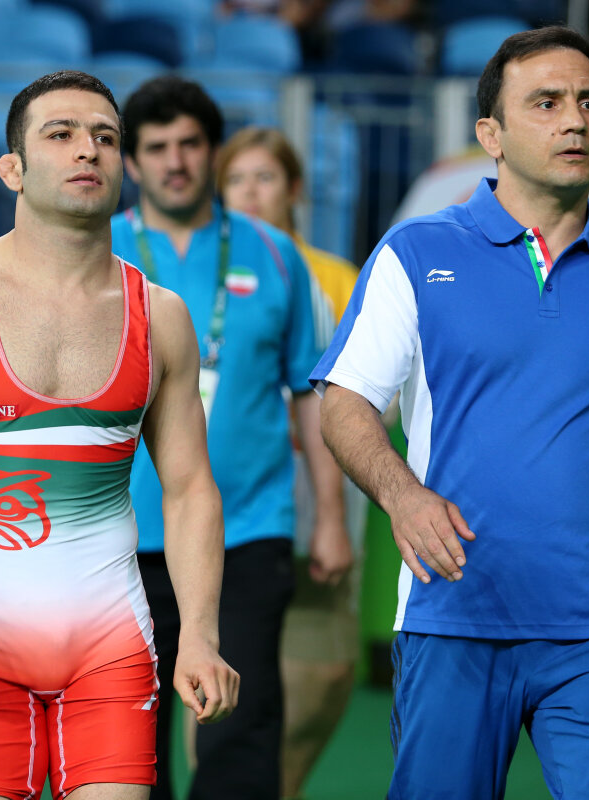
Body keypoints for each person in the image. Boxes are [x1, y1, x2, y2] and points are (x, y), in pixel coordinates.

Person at [311, 26, 589, 800]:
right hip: (452, 615)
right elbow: (345, 400)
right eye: (546, 103)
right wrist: (403, 496)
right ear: (491, 135)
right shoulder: (414, 253)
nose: (574, 121)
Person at [0, 70, 239, 800]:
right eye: (60, 134)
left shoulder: (161, 316)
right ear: (13, 170)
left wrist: (200, 634)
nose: (87, 149)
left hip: (112, 655)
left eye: (105, 137)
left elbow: (190, 490)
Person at [110, 76, 350, 800]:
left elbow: (311, 394)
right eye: (157, 147)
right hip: (115, 537)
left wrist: (330, 518)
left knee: (240, 726)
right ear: (131, 162)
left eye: (190, 144)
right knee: (123, 741)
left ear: (213, 152)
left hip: (247, 530)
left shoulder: (276, 253)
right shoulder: (96, 248)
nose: (175, 161)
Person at [215, 125, 365, 800]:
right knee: (223, 671)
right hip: (229, 506)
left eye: (265, 177)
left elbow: (373, 393)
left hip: (318, 495)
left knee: (324, 671)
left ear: (296, 189)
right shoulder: (200, 271)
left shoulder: (337, 278)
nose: (250, 192)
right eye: (236, 179)